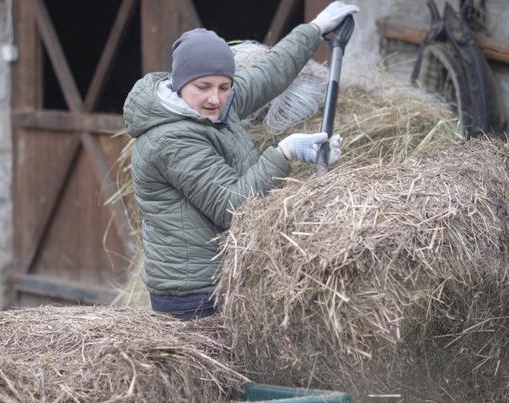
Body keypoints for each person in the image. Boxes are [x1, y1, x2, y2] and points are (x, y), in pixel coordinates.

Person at [123, 2, 359, 320]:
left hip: (222, 280)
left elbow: (268, 75)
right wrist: (284, 153)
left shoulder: (216, 108)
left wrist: (315, 28)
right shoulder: (171, 139)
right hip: (194, 295)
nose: (215, 98)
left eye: (224, 86)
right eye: (203, 87)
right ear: (180, 85)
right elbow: (232, 206)